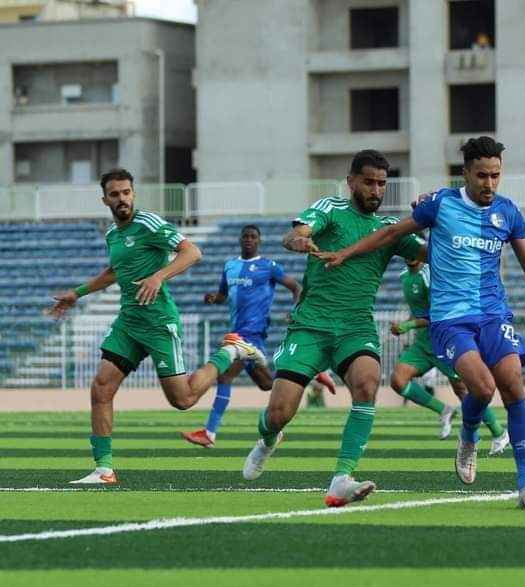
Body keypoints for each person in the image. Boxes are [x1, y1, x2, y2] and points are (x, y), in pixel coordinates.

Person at [315, 136, 525, 510]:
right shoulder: (440, 205)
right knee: (482, 387)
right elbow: (391, 233)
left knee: (512, 385)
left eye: (495, 175)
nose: (489, 183)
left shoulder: (508, 213)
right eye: (481, 175)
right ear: (465, 174)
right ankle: (469, 433)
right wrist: (347, 252)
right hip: (450, 320)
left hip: (493, 315)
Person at [49, 168, 264, 485]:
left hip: (159, 321)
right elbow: (114, 271)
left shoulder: (149, 223)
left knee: (183, 401)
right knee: (101, 388)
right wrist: (77, 293)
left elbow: (192, 251)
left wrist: (158, 276)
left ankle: (231, 350)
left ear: (133, 194)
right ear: (105, 199)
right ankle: (104, 470)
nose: (121, 198)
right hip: (129, 323)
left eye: (126, 192)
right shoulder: (113, 234)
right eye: (114, 194)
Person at [242, 149, 424, 507]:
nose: (376, 190)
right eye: (369, 182)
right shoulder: (331, 208)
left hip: (355, 328)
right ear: (351, 181)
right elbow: (296, 234)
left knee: (368, 383)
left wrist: (437, 217)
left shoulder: (389, 229)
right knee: (279, 413)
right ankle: (268, 440)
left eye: (382, 184)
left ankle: (342, 477)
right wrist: (300, 241)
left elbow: (432, 252)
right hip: (310, 326)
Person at [180, 224, 335, 447]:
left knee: (225, 376)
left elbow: (295, 287)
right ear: (240, 240)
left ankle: (210, 433)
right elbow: (224, 295)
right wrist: (214, 298)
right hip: (238, 332)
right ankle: (312, 376)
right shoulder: (230, 266)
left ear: (259, 241)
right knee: (267, 384)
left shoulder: (268, 266)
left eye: (253, 237)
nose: (249, 240)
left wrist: (296, 310)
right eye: (246, 236)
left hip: (252, 333)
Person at [391, 256, 510, 453]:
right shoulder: (405, 277)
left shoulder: (430, 274)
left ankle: (498, 432)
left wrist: (408, 325)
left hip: (441, 342)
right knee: (398, 379)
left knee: (466, 391)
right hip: (421, 344)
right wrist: (407, 324)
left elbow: (436, 313)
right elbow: (418, 311)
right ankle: (444, 410)